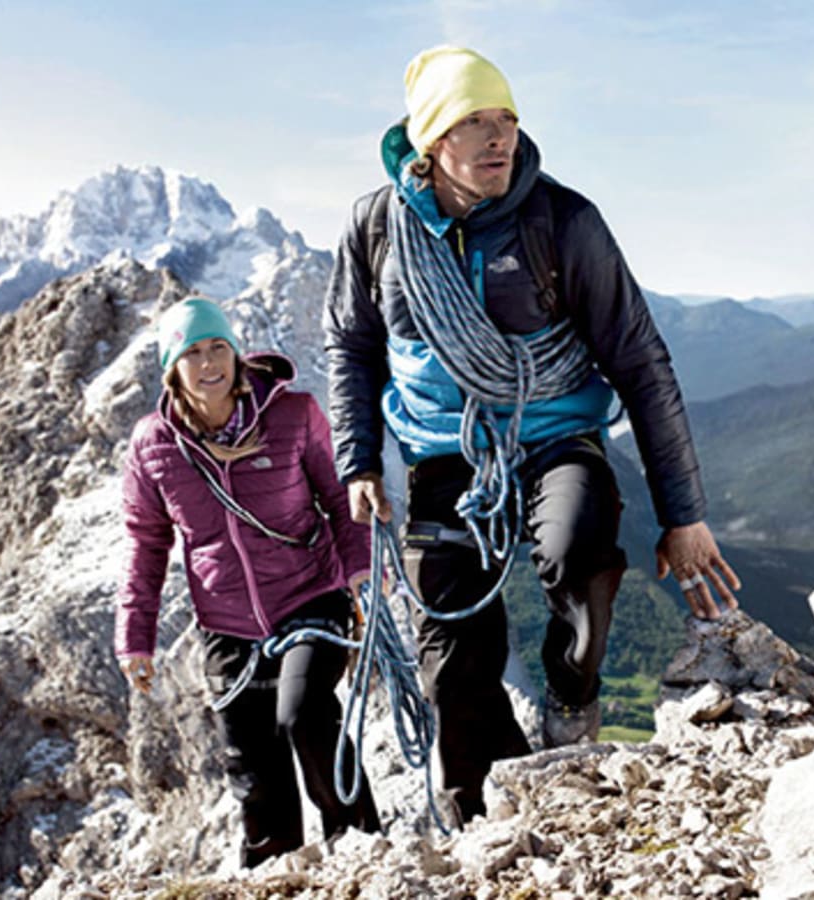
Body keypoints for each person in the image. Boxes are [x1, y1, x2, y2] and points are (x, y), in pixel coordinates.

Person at [322, 46, 741, 825]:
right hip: (443, 451)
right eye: (473, 121)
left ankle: (571, 699)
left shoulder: (563, 221)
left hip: (555, 435)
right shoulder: (377, 227)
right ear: (429, 141)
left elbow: (640, 362)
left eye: (507, 118)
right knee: (452, 659)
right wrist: (359, 460)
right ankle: (482, 817)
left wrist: (684, 515)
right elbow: (351, 343)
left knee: (580, 553)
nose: (498, 137)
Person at [115, 296, 381, 867]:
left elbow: (340, 500)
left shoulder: (293, 414)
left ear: (236, 354)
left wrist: (360, 570)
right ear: (171, 369)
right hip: (227, 621)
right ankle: (273, 874)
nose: (209, 363)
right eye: (192, 353)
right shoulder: (153, 444)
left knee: (305, 714)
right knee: (253, 770)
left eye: (219, 347)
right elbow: (147, 544)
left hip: (311, 595)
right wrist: (135, 637)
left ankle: (361, 851)